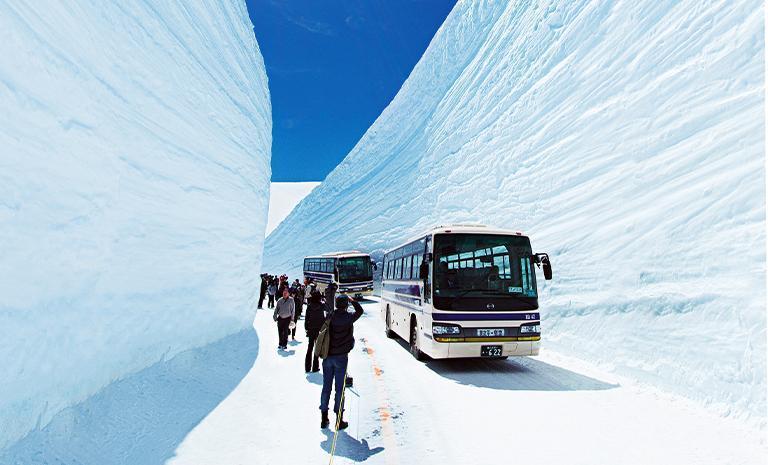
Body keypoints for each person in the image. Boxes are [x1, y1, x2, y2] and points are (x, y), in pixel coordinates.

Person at [319, 283, 363, 430]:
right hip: (341, 358)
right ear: (346, 305)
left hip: (327, 357)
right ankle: (339, 419)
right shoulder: (349, 318)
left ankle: (324, 418)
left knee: (326, 387)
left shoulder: (330, 316)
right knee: (340, 388)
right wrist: (352, 300)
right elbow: (360, 311)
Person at [304, 290, 325, 373]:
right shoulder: (322, 306)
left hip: (311, 329)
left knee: (310, 348)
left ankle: (307, 367)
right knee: (317, 348)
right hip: (319, 329)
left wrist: (306, 328)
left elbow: (307, 319)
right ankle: (315, 367)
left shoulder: (309, 306)